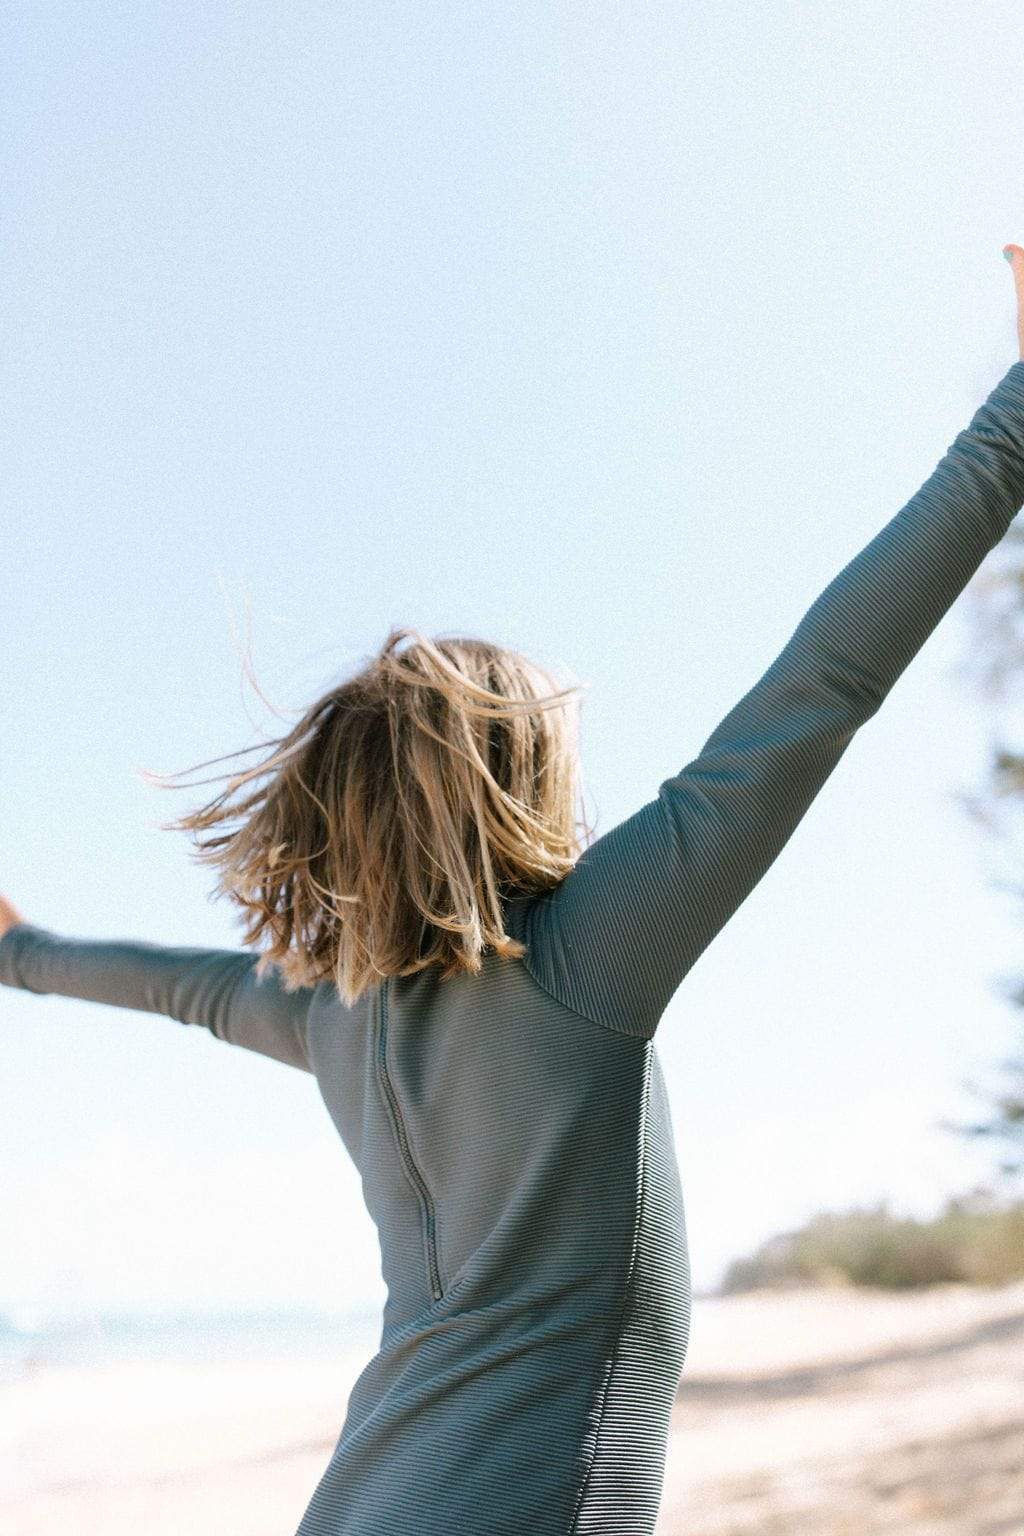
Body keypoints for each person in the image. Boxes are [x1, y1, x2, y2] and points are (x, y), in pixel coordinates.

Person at [4, 247, 1024, 1536]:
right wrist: (1016, 416)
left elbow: (171, 988)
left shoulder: (329, 1015)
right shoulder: (589, 951)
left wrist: (20, 955)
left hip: (364, 1491)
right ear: (509, 788)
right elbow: (819, 690)